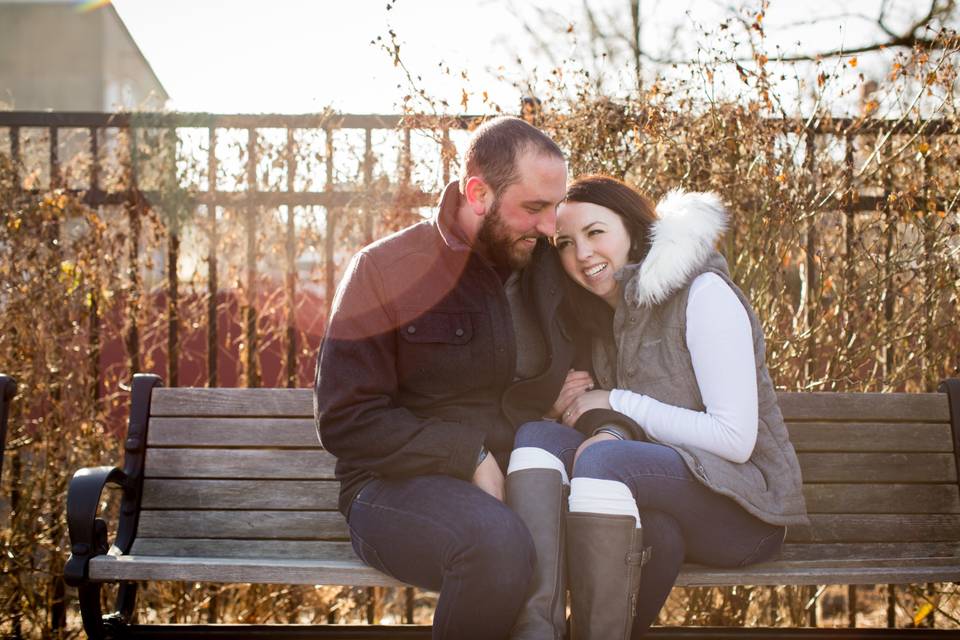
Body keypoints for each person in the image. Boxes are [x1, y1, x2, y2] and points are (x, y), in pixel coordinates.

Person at [314, 116, 591, 640]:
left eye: (555, 208)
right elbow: (347, 420)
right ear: (478, 192)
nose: (550, 226)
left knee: (631, 533)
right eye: (533, 208)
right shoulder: (385, 269)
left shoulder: (552, 270)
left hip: (529, 479)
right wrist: (468, 455)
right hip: (392, 488)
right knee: (496, 545)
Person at [508, 175, 809, 639]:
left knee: (605, 462)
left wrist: (617, 401)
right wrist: (563, 407)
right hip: (660, 503)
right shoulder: (603, 318)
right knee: (538, 441)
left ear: (630, 228)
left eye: (595, 232)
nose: (581, 253)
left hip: (746, 509)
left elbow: (735, 438)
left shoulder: (703, 294)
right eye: (564, 243)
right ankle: (538, 632)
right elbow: (612, 423)